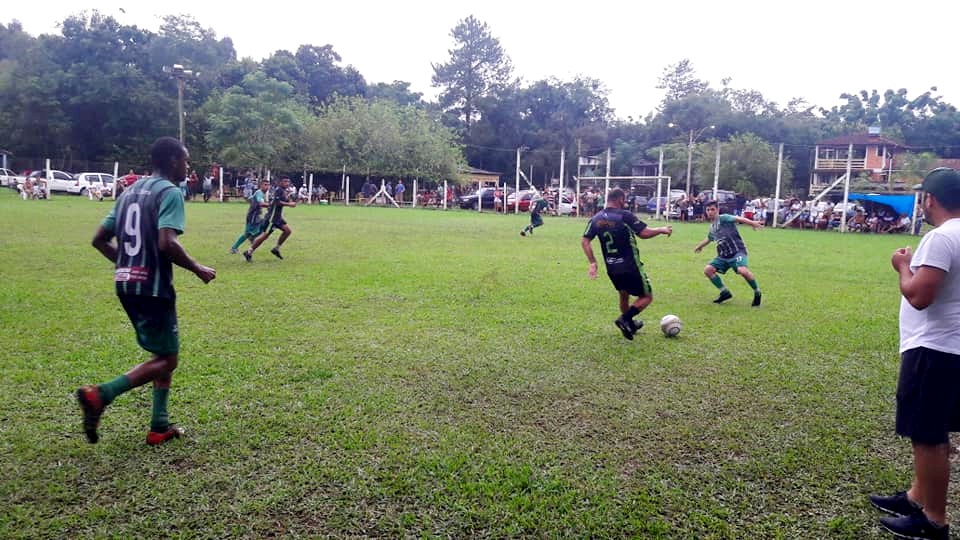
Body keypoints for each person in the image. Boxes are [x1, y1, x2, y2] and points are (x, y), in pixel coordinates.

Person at [76, 137, 216, 446]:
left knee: (161, 352)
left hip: (126, 283)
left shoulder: (129, 192)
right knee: (168, 359)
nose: (187, 166)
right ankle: (101, 394)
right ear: (170, 161)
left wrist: (127, 262)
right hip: (152, 286)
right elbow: (167, 242)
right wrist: (197, 268)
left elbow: (99, 239)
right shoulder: (170, 192)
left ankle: (159, 426)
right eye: (185, 160)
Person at [868, 168, 960, 540]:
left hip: (934, 348)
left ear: (930, 200)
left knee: (927, 435)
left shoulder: (941, 237)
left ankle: (933, 520)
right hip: (951, 348)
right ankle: (915, 496)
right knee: (933, 430)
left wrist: (902, 266)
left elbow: (920, 296)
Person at [581, 188, 672, 340]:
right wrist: (661, 229)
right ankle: (625, 319)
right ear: (621, 199)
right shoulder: (624, 216)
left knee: (624, 294)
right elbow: (644, 233)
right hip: (630, 265)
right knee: (646, 296)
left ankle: (630, 324)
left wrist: (593, 263)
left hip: (612, 267)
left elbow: (585, 241)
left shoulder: (596, 218)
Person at [694, 200, 764, 306]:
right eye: (708, 210)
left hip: (737, 251)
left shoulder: (724, 218)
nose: (710, 212)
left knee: (743, 271)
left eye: (712, 209)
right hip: (723, 255)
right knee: (708, 270)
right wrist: (699, 246)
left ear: (717, 210)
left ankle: (757, 292)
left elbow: (739, 218)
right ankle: (725, 292)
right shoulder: (712, 227)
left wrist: (752, 223)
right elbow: (709, 238)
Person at [244, 177, 297, 262]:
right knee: (264, 236)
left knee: (287, 231)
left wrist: (289, 197)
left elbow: (283, 200)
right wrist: (289, 204)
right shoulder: (278, 190)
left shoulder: (283, 191)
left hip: (278, 217)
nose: (287, 183)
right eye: (285, 181)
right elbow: (277, 202)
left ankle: (276, 248)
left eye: (288, 182)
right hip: (272, 218)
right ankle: (249, 251)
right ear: (280, 182)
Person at [229, 179, 270, 254]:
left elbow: (249, 198)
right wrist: (271, 205)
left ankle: (252, 237)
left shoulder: (260, 193)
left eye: (268, 185)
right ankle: (234, 248)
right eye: (265, 185)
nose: (267, 187)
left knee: (263, 226)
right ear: (261, 185)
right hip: (252, 217)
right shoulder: (259, 193)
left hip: (256, 216)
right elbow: (261, 203)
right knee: (247, 233)